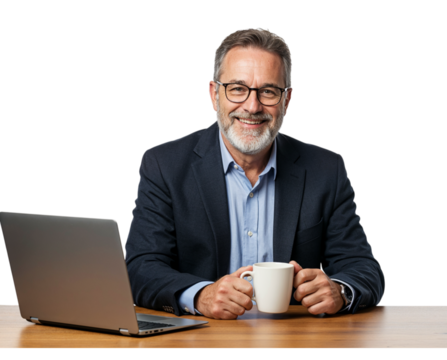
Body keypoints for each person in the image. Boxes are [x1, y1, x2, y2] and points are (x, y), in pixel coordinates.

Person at [125, 28, 385, 320]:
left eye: (269, 91)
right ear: (213, 95)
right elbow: (140, 267)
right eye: (237, 88)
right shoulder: (164, 165)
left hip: (297, 339)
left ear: (287, 101)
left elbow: (364, 269)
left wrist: (340, 291)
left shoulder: (326, 170)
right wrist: (200, 295)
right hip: (200, 339)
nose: (252, 106)